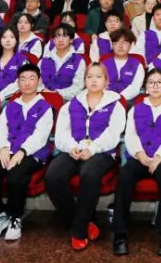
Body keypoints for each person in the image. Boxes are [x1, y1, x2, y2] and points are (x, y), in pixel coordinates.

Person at [46, 62, 125, 250]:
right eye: (89, 77)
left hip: (101, 152)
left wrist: (93, 148)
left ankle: (79, 231)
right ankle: (81, 220)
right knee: (52, 176)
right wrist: (71, 147)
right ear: (84, 80)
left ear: (106, 80)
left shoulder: (116, 104)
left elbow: (113, 135)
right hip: (74, 149)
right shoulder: (71, 104)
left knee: (89, 174)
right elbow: (61, 134)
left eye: (98, 76)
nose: (94, 80)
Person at [112, 67, 161, 257]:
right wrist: (139, 154)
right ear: (145, 86)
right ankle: (120, 234)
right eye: (151, 82)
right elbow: (131, 135)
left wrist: (159, 157)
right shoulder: (136, 109)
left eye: (159, 82)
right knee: (125, 174)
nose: (155, 86)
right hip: (141, 156)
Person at [0, 63, 55, 243]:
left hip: (31, 153)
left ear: (39, 81)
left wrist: (22, 151)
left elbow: (41, 136)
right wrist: (3, 148)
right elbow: (1, 129)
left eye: (31, 79)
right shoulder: (10, 106)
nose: (27, 83)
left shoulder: (45, 107)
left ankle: (15, 217)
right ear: (18, 82)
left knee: (16, 175)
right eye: (23, 79)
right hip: (5, 150)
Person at [40, 24, 86, 100]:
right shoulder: (44, 60)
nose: (60, 40)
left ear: (71, 40)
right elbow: (36, 81)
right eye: (57, 36)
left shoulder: (78, 61)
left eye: (64, 36)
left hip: (67, 101)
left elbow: (78, 87)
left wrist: (57, 93)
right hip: (43, 98)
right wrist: (43, 90)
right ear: (53, 40)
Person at [101, 28, 144, 101]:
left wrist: (119, 98)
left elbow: (135, 87)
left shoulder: (138, 65)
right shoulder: (103, 64)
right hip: (105, 99)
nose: (120, 46)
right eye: (117, 42)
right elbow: (100, 84)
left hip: (128, 101)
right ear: (113, 45)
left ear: (130, 45)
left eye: (125, 42)